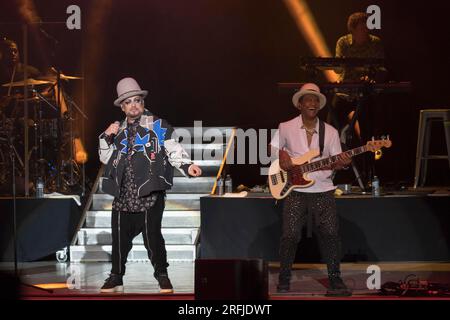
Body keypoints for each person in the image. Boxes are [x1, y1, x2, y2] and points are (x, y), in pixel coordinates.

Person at [98, 77, 202, 293]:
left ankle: (162, 275)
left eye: (137, 100)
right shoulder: (117, 130)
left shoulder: (157, 124)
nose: (134, 105)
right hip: (124, 192)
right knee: (119, 237)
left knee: (152, 236)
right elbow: (105, 158)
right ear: (123, 107)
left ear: (142, 103)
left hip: (149, 189)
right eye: (129, 102)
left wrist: (187, 165)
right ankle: (116, 276)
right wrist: (105, 136)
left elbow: (173, 150)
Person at [270, 83, 352, 296]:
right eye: (308, 99)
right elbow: (273, 148)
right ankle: (284, 279)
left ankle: (335, 280)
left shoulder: (331, 132)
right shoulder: (285, 127)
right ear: (299, 104)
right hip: (295, 190)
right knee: (289, 236)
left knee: (331, 234)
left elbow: (335, 162)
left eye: (316, 100)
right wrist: (282, 155)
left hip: (323, 190)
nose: (313, 103)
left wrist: (342, 163)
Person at [329, 12, 386, 143]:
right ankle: (335, 158)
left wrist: (373, 77)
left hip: (365, 93)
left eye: (367, 27)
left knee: (368, 132)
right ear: (353, 30)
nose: (366, 31)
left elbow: (381, 69)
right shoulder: (343, 42)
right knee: (332, 126)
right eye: (362, 28)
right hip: (345, 92)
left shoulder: (375, 43)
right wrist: (340, 63)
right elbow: (337, 69)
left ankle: (368, 161)